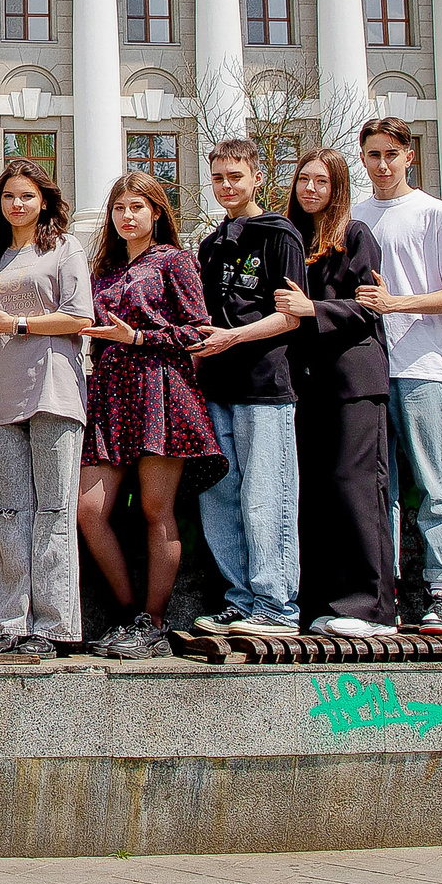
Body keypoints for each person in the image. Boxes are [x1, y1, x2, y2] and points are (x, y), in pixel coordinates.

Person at [78, 171, 218, 658]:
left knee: (157, 511)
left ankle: (153, 623)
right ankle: (129, 613)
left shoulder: (175, 260)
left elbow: (200, 332)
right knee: (89, 510)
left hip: (161, 390)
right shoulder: (106, 268)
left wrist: (138, 338)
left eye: (137, 207)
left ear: (156, 212)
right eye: (119, 208)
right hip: (112, 393)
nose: (127, 216)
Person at [348, 117, 442, 629]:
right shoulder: (353, 215)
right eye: (373, 155)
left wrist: (396, 304)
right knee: (384, 488)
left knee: (434, 482)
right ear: (362, 158)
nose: (382, 164)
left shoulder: (437, 215)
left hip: (420, 367)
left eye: (391, 154)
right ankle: (389, 592)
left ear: (409, 157)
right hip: (366, 371)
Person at [0, 160, 94, 656]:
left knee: (55, 509)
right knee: (8, 508)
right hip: (4, 394)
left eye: (25, 196)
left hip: (55, 390)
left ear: (44, 200)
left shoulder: (65, 247)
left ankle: (53, 624)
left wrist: (18, 325)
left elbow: (80, 316)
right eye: (7, 197)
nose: (16, 205)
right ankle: (12, 622)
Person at [276, 149, 394, 638]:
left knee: (357, 489)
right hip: (307, 384)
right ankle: (326, 601)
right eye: (303, 179)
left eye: (321, 182)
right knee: (319, 494)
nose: (310, 189)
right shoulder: (288, 237)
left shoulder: (355, 234)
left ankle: (372, 608)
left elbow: (369, 306)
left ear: (337, 187)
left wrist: (311, 309)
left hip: (353, 381)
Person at [191, 139, 305, 638]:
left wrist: (232, 337)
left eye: (235, 176)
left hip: (264, 386)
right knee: (221, 495)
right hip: (216, 386)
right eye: (217, 177)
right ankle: (241, 600)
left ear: (257, 176)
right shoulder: (211, 243)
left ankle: (277, 604)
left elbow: (290, 317)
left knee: (267, 496)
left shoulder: (280, 235)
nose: (226, 186)